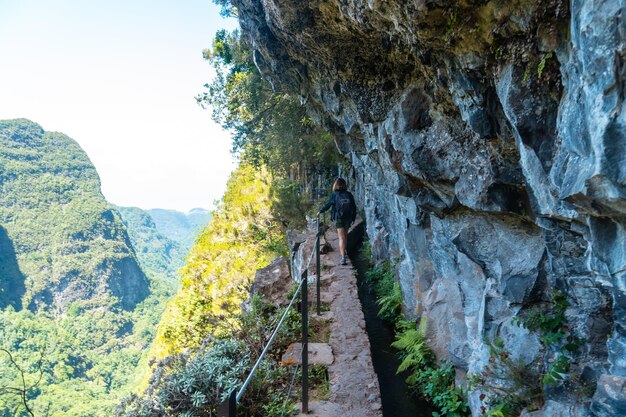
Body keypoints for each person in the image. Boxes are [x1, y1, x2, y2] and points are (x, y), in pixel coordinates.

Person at [318, 177, 356, 265]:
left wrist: (320, 211)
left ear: (336, 185)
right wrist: (353, 218)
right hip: (348, 218)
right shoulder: (349, 194)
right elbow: (354, 207)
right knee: (345, 236)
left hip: (339, 218)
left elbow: (328, 204)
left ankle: (343, 258)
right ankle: (344, 252)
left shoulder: (334, 195)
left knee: (341, 238)